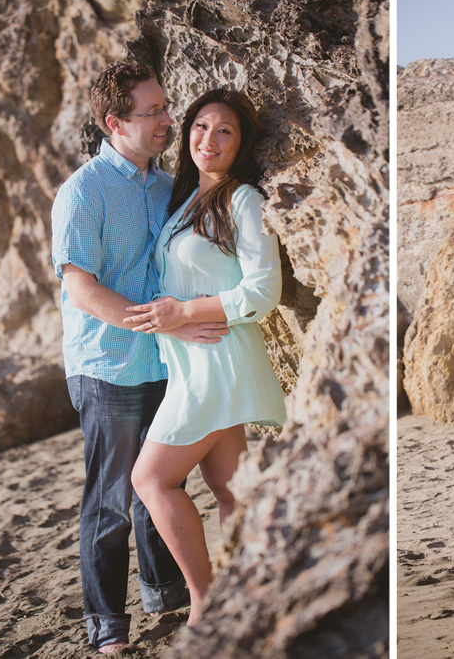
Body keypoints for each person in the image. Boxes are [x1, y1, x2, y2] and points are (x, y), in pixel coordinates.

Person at [51, 61, 230, 653]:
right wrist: (161, 324)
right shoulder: (84, 190)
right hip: (107, 365)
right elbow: (81, 286)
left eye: (164, 107)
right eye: (151, 112)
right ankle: (107, 627)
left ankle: (166, 594)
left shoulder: (165, 183)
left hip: (165, 361)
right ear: (113, 123)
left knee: (156, 486)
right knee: (110, 503)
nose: (166, 121)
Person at [126, 88, 287, 626]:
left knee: (149, 480)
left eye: (225, 131)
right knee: (228, 486)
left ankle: (206, 601)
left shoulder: (245, 200)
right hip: (191, 363)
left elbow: (262, 291)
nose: (209, 139)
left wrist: (185, 313)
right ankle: (251, 596)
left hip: (220, 360)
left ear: (241, 145)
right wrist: (174, 321)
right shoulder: (187, 200)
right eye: (200, 126)